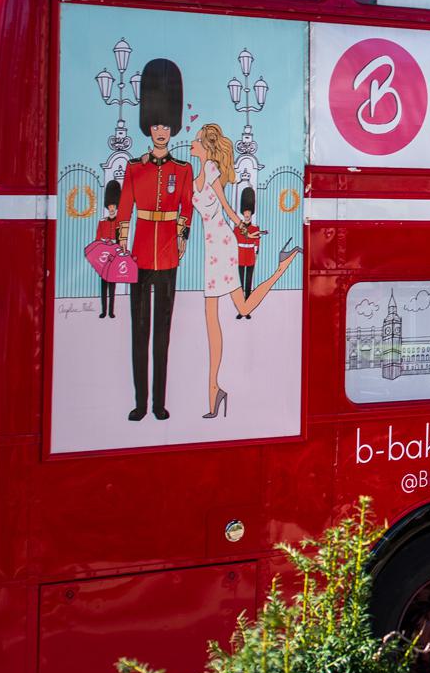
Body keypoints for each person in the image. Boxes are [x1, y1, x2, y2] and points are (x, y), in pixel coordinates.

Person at [190, 121, 304, 419]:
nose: (192, 142)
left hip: (221, 246)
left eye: (197, 140)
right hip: (213, 247)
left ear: (206, 145)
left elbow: (227, 208)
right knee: (238, 306)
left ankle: (214, 391)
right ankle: (282, 265)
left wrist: (245, 229)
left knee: (213, 318)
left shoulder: (211, 171)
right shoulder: (199, 174)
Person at [117, 59, 192, 422]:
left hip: (167, 257)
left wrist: (180, 242)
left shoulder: (183, 170)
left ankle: (159, 403)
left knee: (162, 333)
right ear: (149, 126)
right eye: (156, 124)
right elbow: (124, 213)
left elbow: (186, 210)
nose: (161, 130)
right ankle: (139, 402)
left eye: (166, 124)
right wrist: (120, 248)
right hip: (140, 254)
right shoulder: (135, 167)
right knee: (139, 331)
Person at [94, 178, 122, 320]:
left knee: (112, 287)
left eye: (114, 206)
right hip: (104, 260)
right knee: (103, 287)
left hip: (115, 259)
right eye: (110, 206)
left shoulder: (120, 223)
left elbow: (121, 241)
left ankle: (111, 311)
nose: (111, 208)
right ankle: (103, 310)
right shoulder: (102, 222)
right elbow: (98, 240)